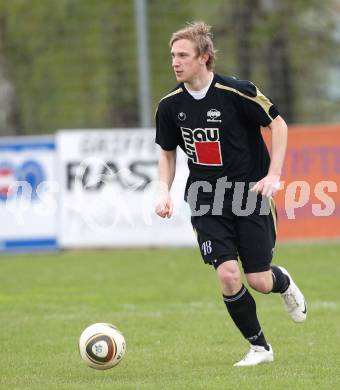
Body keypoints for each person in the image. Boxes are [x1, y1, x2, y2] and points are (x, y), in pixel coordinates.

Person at [154, 21, 306, 367]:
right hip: (206, 198)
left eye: (183, 55)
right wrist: (163, 190)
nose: (175, 62)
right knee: (227, 274)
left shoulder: (237, 92)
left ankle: (284, 283)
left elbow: (277, 124)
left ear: (204, 58)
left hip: (248, 194)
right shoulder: (169, 106)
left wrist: (274, 175)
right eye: (172, 55)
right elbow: (167, 152)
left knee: (259, 280)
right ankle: (260, 348)